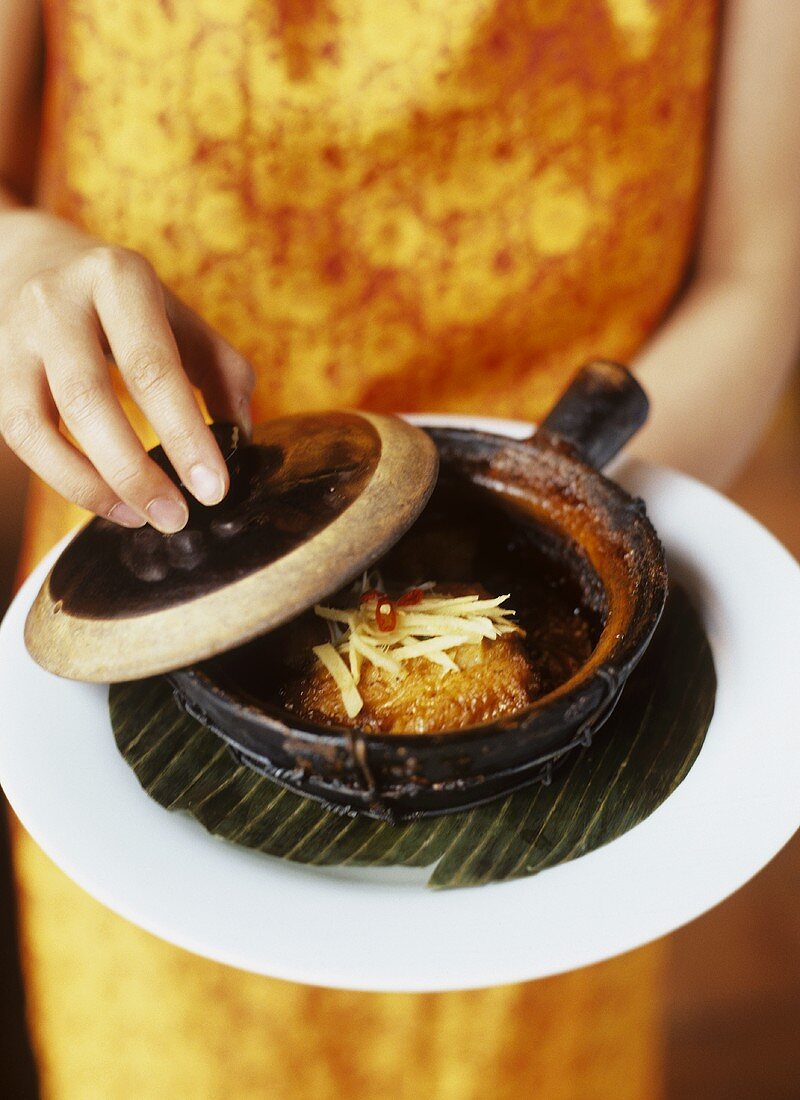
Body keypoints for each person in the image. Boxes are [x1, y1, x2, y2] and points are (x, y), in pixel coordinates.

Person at [1, 2, 798, 1097]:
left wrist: (562, 488)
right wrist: (19, 256)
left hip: (542, 792)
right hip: (168, 574)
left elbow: (755, 275)